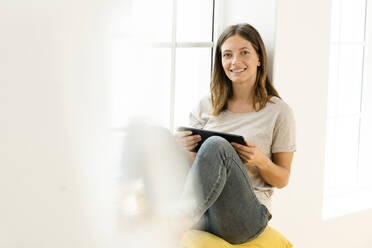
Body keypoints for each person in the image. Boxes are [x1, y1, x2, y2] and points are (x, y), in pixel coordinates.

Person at [176, 23, 296, 244]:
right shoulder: (205, 105)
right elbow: (196, 172)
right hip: (205, 211)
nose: (235, 61)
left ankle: (174, 227)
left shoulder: (278, 112)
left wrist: (261, 161)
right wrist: (181, 150)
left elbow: (282, 179)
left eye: (244, 53)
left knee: (216, 145)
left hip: (244, 219)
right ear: (220, 62)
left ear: (259, 58)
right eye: (227, 55)